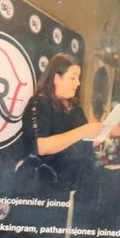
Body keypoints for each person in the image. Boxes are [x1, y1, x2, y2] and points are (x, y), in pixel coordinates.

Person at [22, 53, 108, 187]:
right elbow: (42, 146)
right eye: (73, 78)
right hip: (47, 186)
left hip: (78, 183)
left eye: (78, 78)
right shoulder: (39, 103)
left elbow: (84, 144)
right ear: (56, 78)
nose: (78, 83)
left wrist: (107, 130)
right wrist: (84, 130)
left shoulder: (74, 107)